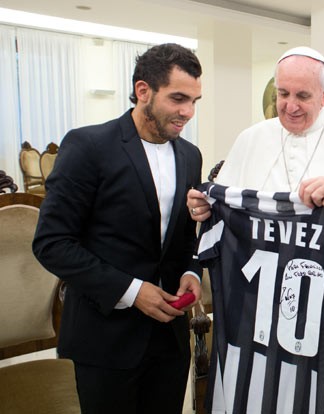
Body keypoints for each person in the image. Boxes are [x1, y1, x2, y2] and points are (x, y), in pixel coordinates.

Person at [187, 46, 324, 414]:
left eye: (303, 96)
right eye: (283, 94)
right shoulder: (251, 139)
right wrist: (202, 207)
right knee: (265, 389)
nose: (290, 106)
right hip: (262, 300)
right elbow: (221, 207)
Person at [32, 43, 204, 414]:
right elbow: (51, 243)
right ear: (143, 91)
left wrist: (192, 269)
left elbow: (185, 235)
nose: (187, 112)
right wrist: (131, 291)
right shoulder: (88, 145)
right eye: (177, 98)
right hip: (105, 336)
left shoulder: (190, 155)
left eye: (194, 101)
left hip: (169, 339)